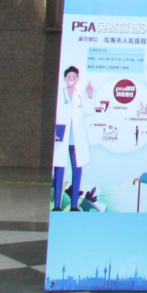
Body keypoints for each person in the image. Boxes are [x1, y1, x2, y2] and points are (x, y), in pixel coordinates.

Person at [52, 65, 93, 211]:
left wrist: (90, 95)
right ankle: (57, 205)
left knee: (77, 171)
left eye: (73, 77)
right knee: (59, 171)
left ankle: (74, 205)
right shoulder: (59, 95)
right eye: (68, 77)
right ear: (65, 78)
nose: (71, 79)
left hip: (76, 140)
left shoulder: (80, 95)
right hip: (61, 137)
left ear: (77, 79)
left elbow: (89, 110)